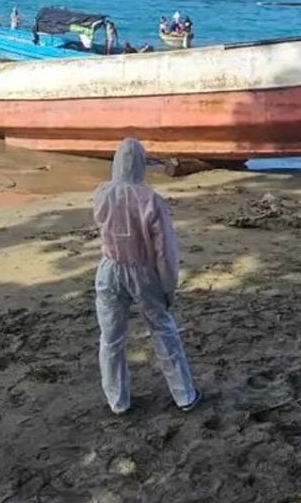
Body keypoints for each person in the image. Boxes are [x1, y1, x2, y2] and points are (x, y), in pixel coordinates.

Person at [93, 138, 199, 415]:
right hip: (141, 271)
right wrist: (168, 286)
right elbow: (165, 251)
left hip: (109, 267)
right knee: (163, 330)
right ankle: (184, 395)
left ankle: (118, 401)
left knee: (111, 337)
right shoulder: (150, 199)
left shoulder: (101, 193)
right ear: (141, 164)